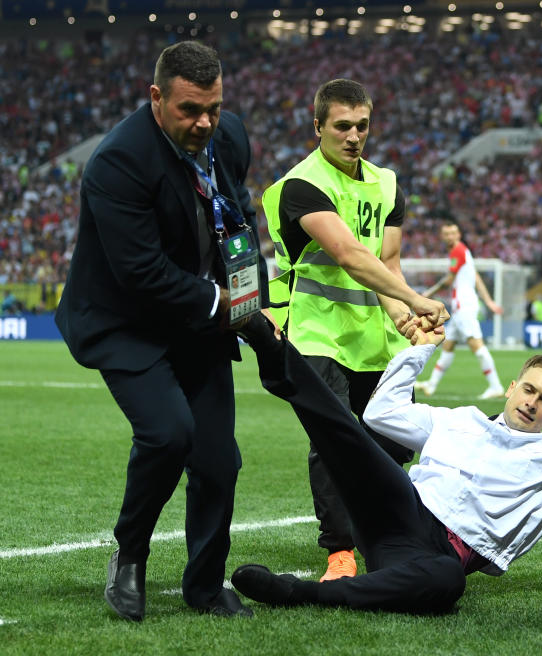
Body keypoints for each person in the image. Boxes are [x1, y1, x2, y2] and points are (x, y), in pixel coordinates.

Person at [227, 309, 542, 614]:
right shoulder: (459, 421)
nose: (533, 403)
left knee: (448, 582)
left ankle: (299, 593)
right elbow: (382, 413)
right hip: (401, 508)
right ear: (512, 388)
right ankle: (270, 346)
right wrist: (420, 349)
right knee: (348, 432)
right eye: (529, 390)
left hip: (424, 555)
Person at [54, 41, 271, 620]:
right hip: (126, 322)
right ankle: (129, 556)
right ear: (156, 98)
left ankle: (204, 586)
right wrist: (227, 304)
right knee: (169, 433)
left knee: (219, 460)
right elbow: (142, 275)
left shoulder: (229, 137)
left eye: (214, 108)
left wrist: (255, 299)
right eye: (189, 110)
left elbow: (239, 217)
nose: (204, 122)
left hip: (200, 320)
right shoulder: (119, 162)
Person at [261, 78, 448, 583]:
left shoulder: (387, 185)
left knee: (390, 439)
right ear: (317, 125)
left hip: (374, 337)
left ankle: (386, 534)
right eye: (342, 125)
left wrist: (406, 319)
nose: (354, 135)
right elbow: (347, 254)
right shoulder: (301, 185)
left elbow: (387, 262)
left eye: (362, 125)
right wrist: (416, 299)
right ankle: (340, 550)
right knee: (334, 438)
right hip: (316, 333)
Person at [414, 221, 505, 399]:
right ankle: (431, 385)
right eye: (446, 234)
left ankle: (496, 386)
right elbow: (477, 278)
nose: (450, 237)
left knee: (476, 345)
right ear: (442, 236)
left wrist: (426, 295)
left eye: (453, 233)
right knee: (447, 346)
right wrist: (489, 301)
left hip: (464, 306)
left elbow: (449, 279)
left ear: (458, 235)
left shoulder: (458, 251)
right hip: (460, 307)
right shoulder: (464, 252)